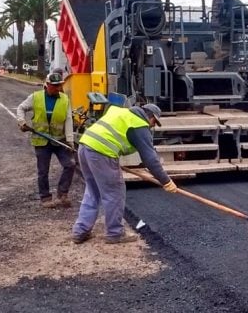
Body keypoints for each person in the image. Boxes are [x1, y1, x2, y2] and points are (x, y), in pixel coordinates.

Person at [72, 103, 178, 245]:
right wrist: (166, 181)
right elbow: (151, 159)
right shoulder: (139, 124)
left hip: (85, 146)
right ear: (150, 117)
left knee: (93, 191)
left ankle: (80, 231)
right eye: (154, 122)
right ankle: (115, 233)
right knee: (115, 192)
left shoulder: (122, 113)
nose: (152, 126)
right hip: (101, 152)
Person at [17, 71, 76, 208]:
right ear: (47, 85)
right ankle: (45, 197)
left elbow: (68, 120)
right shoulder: (35, 97)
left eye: (59, 85)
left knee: (70, 165)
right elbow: (21, 108)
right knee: (43, 170)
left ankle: (62, 194)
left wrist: (70, 141)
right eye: (54, 86)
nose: (57, 88)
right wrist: (22, 122)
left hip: (59, 139)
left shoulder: (65, 99)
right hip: (41, 140)